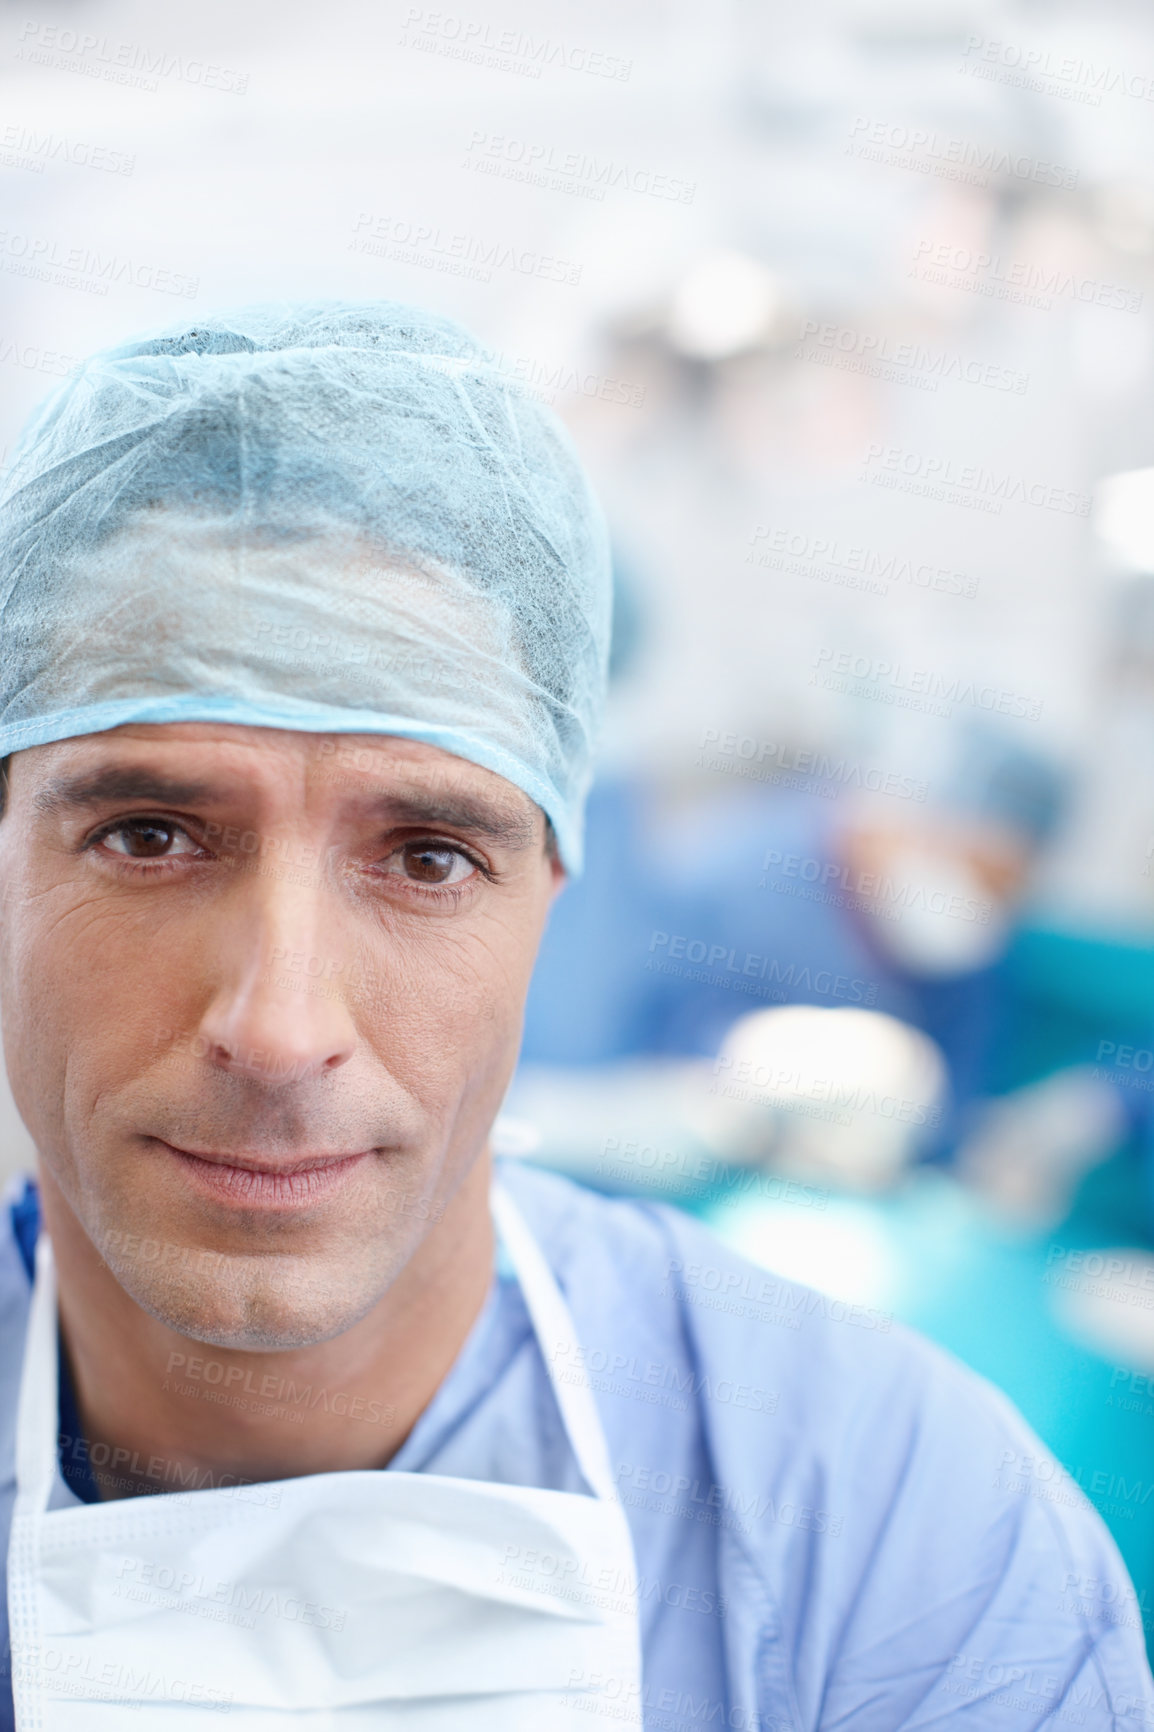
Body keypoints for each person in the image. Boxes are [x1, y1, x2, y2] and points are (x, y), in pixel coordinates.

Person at [0, 302, 1148, 1730]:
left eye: (428, 858)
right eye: (151, 837)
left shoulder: (897, 1539)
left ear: (550, 884)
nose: (283, 1028)